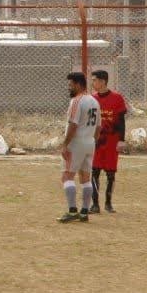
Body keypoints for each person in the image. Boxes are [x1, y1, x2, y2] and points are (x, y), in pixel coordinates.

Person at [58, 72, 100, 223]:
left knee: (67, 176)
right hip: (90, 142)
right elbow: (98, 126)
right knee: (85, 178)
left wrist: (65, 144)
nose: (69, 88)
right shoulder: (94, 101)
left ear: (78, 84)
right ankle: (84, 212)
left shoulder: (77, 101)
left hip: (76, 143)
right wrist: (93, 141)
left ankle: (72, 210)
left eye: (70, 85)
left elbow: (73, 124)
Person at [90, 70, 129, 214]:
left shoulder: (117, 98)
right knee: (94, 171)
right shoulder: (91, 99)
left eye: (94, 80)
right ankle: (95, 204)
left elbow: (121, 121)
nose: (92, 83)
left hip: (112, 140)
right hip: (97, 141)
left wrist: (121, 140)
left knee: (111, 173)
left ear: (103, 81)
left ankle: (108, 202)